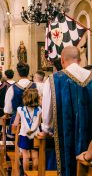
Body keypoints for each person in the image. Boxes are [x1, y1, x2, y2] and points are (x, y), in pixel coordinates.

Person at [41, 46, 92, 176]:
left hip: (65, 135)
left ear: (62, 60)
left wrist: (46, 129)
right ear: (80, 60)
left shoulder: (53, 80)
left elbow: (47, 115)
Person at [4, 62, 36, 138]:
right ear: (28, 72)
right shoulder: (35, 86)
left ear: (18, 73)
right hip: (33, 120)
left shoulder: (12, 88)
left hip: (17, 120)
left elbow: (7, 109)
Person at [13, 88, 41, 171]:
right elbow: (39, 123)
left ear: (25, 98)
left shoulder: (20, 109)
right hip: (35, 135)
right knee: (35, 155)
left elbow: (15, 123)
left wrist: (14, 125)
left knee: (26, 156)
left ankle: (26, 173)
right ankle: (34, 173)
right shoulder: (39, 109)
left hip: (24, 134)